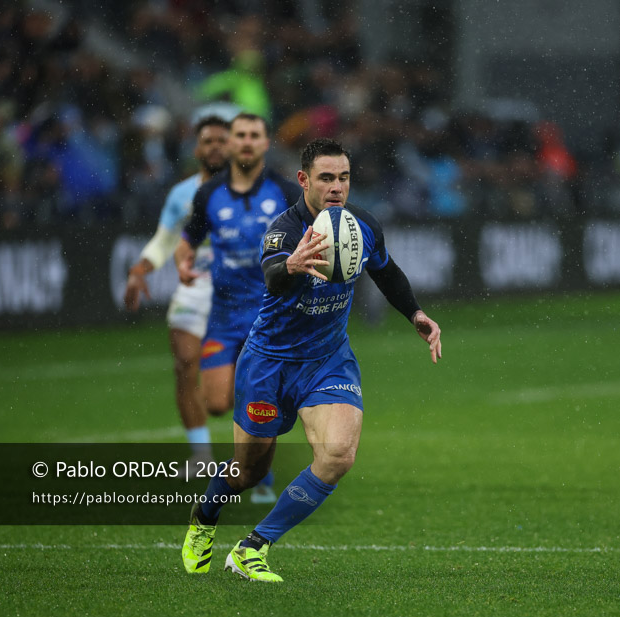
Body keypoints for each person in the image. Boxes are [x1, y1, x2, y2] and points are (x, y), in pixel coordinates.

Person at [181, 138, 442, 582]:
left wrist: (415, 313)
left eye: (343, 177)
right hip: (268, 363)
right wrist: (293, 265)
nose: (337, 187)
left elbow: (387, 271)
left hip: (326, 360)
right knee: (247, 471)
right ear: (304, 180)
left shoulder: (362, 226)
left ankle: (253, 548)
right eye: (326, 178)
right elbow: (272, 276)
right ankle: (204, 518)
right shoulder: (284, 230)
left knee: (338, 454)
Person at [174, 112, 301, 503]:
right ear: (229, 143)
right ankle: (254, 460)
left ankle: (259, 473)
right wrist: (182, 261)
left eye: (254, 135)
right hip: (224, 318)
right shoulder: (209, 193)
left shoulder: (283, 190)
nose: (246, 141)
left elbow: (311, 235)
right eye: (239, 135)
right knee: (216, 403)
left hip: (269, 316)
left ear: (265, 143)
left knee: (258, 399)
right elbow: (189, 238)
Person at [124, 115, 228, 466]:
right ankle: (201, 457)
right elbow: (163, 241)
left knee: (230, 393)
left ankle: (254, 453)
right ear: (197, 149)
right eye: (208, 141)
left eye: (221, 140)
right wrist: (140, 269)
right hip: (193, 290)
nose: (215, 147)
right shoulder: (182, 194)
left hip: (239, 294)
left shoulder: (252, 192)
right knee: (185, 366)